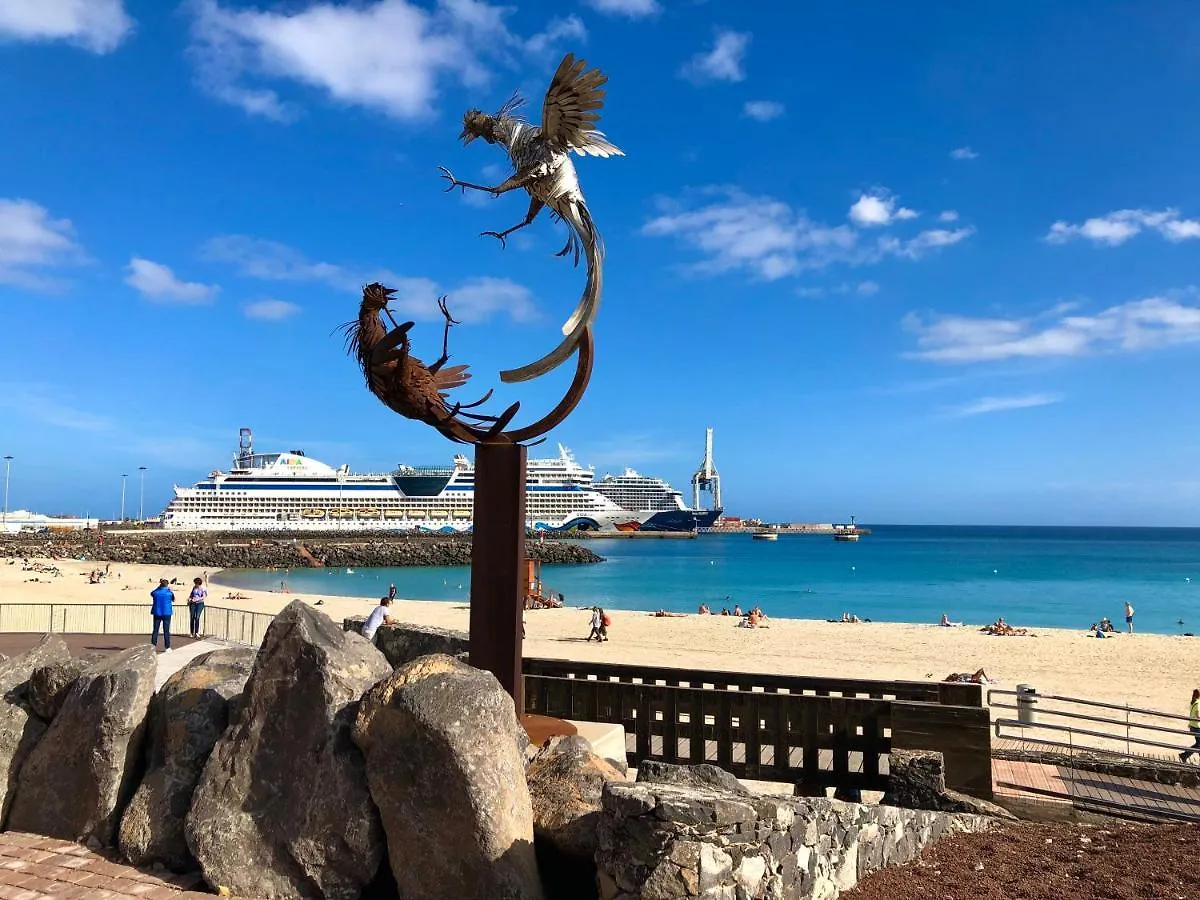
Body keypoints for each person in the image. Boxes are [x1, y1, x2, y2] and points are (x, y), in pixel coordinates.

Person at [150, 578, 174, 653]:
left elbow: (151, 593)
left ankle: (153, 646)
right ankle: (167, 647)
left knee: (155, 630)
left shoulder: (156, 592)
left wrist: (158, 587)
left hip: (157, 612)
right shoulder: (169, 593)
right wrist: (170, 590)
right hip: (167, 612)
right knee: (166, 631)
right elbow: (173, 599)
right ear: (167, 585)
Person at [1180, 688, 1200, 763]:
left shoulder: (1192, 702)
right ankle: (1184, 755)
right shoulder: (1198, 703)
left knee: (1199, 743)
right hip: (1197, 726)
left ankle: (1184, 755)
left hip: (1192, 725)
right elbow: (1198, 715)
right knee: (1198, 744)